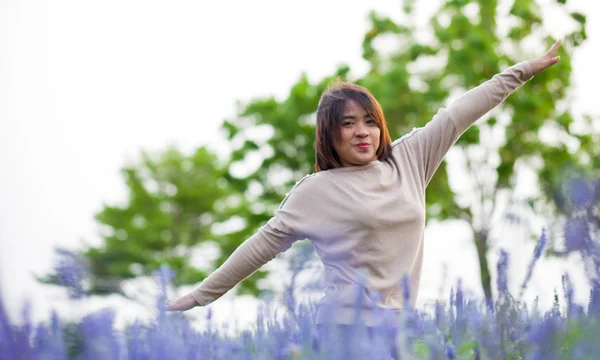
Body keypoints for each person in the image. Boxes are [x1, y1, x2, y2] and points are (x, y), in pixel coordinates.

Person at [166, 41, 562, 327]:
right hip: (343, 330)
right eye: (348, 123)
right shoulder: (314, 191)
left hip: (401, 326)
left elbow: (459, 113)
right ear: (329, 134)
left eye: (370, 121)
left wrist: (523, 70)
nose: (362, 132)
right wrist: (199, 296)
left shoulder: (410, 159)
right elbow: (259, 247)